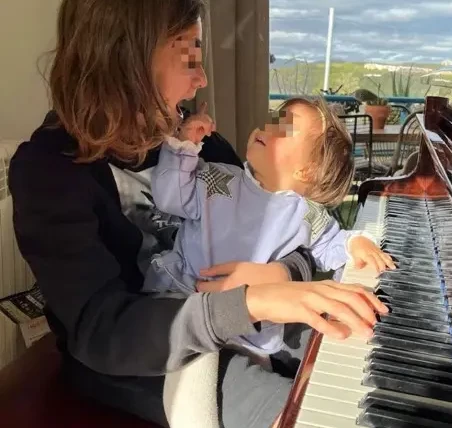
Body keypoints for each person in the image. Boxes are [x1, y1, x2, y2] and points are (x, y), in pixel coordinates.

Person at [8, 1, 387, 427]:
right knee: (318, 413)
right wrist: (248, 302)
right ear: (124, 57)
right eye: (187, 53)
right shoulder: (48, 169)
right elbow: (101, 329)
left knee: (361, 354)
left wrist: (286, 273)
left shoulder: (196, 139)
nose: (202, 78)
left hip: (239, 319)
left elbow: (282, 220)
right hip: (141, 356)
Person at [145, 97, 395, 356]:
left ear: (306, 171)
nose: (268, 126)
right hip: (185, 304)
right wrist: (184, 145)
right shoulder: (216, 179)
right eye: (275, 118)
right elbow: (169, 198)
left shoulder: (305, 213)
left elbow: (331, 245)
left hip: (253, 330)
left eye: (285, 129)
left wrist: (356, 242)